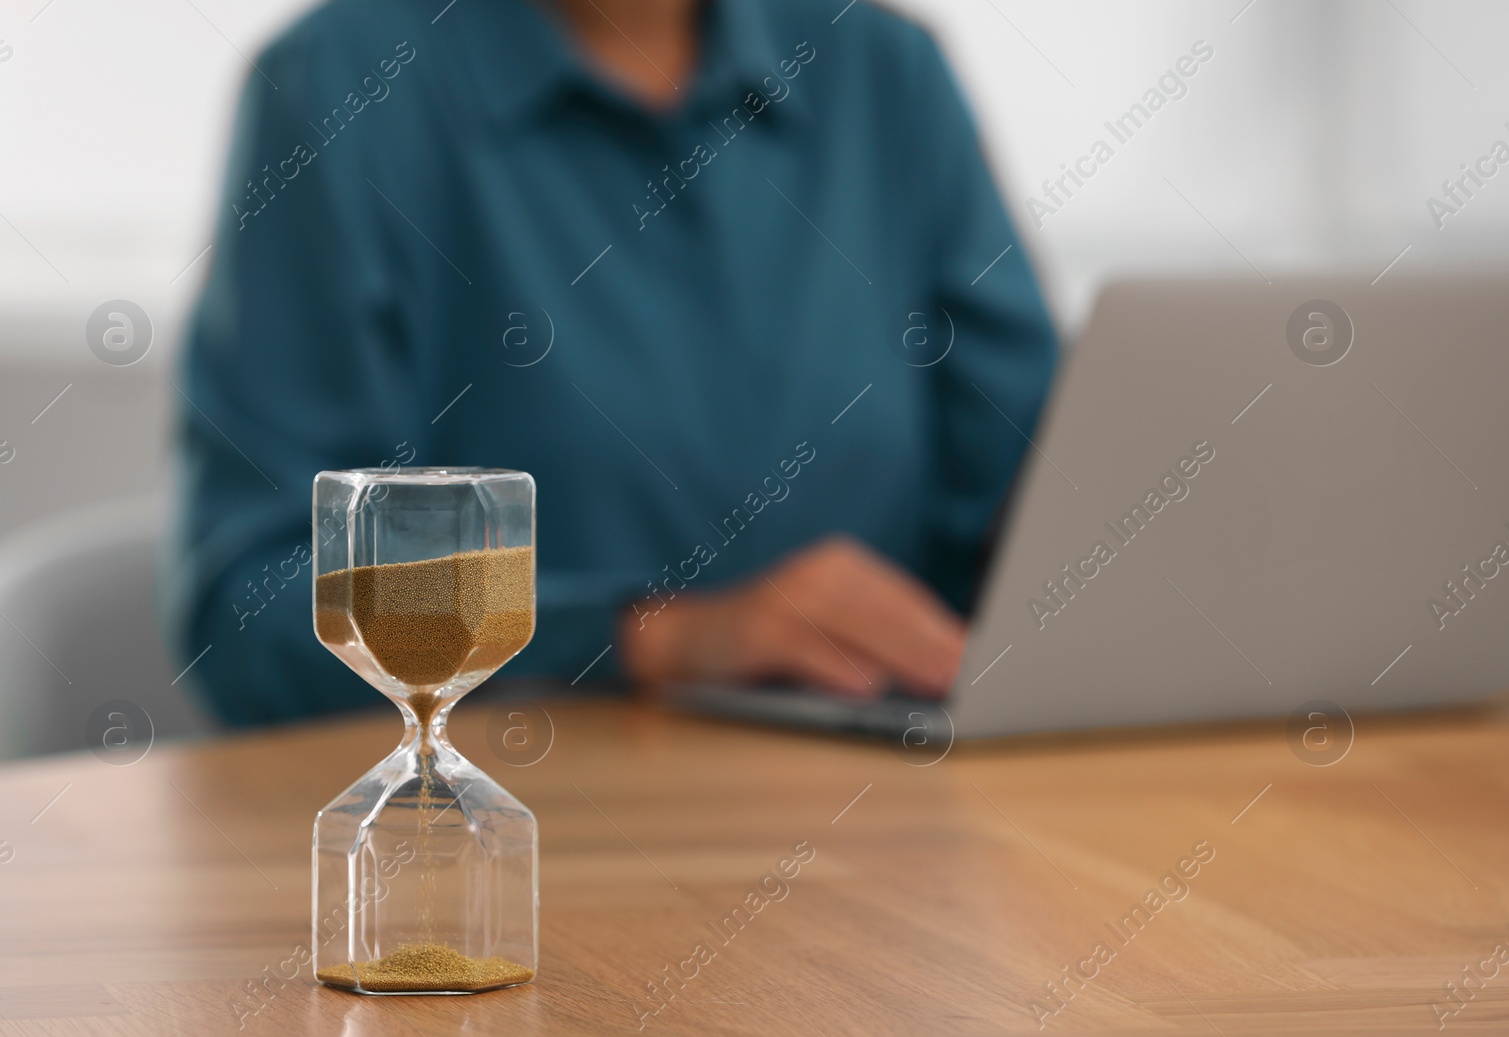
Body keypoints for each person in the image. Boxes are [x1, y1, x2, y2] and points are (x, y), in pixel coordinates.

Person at [164, 0, 1058, 726]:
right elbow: (254, 615)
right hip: (534, 834)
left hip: (890, 825)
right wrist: (650, 638)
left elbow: (1038, 504)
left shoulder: (885, 72)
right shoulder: (338, 89)